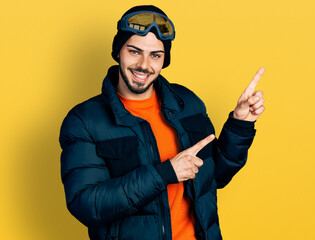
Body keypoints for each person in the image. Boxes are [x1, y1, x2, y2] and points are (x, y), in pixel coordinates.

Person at [59, 5, 265, 240]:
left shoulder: (187, 103)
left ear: (164, 59)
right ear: (118, 52)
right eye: (134, 51)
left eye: (155, 55)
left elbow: (214, 177)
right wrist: (164, 173)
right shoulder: (84, 121)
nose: (144, 65)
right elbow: (86, 205)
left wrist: (240, 125)